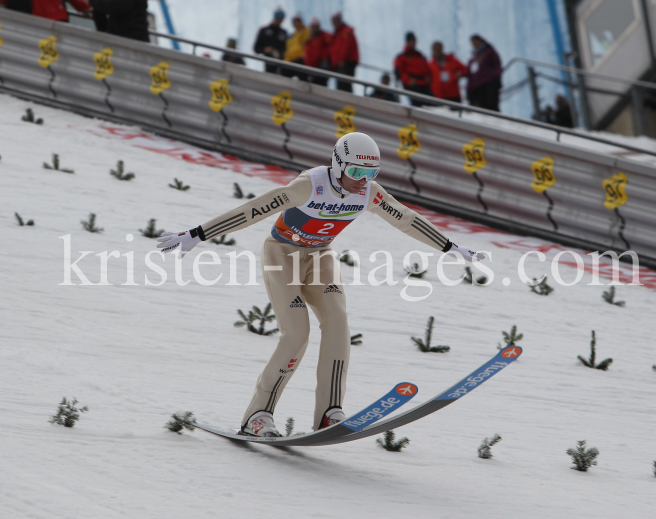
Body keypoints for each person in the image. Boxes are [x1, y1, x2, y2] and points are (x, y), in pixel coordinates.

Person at [156, 133, 486, 437]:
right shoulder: (309, 185)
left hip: (319, 256)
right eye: (356, 172)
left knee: (338, 323)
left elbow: (405, 218)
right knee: (297, 333)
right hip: (282, 253)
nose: (363, 182)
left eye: (371, 175)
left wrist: (451, 247)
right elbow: (254, 209)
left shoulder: (368, 193)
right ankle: (258, 415)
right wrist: (196, 235)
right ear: (338, 165)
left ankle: (330, 412)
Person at [393, 32, 433, 106]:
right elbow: (398, 72)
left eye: (414, 41)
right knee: (418, 106)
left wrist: (429, 78)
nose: (413, 43)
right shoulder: (401, 57)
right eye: (411, 41)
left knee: (433, 105)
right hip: (413, 86)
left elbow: (428, 70)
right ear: (407, 42)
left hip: (425, 85)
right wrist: (408, 81)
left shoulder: (421, 56)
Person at [466, 34, 502, 111]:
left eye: (475, 42)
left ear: (481, 41)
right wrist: (469, 89)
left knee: (491, 107)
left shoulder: (490, 52)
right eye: (473, 43)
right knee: (480, 109)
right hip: (477, 88)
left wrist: (496, 81)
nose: (474, 45)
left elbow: (497, 66)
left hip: (489, 85)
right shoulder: (473, 58)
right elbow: (470, 75)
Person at [329, 12, 359, 92]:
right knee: (341, 85)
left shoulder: (345, 31)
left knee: (345, 85)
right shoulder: (337, 34)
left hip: (346, 63)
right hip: (340, 64)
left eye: (336, 20)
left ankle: (348, 102)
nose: (334, 23)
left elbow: (346, 46)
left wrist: (342, 59)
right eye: (333, 21)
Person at [254, 8, 288, 75]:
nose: (280, 21)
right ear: (275, 17)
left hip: (282, 65)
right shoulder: (264, 30)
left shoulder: (284, 33)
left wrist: (282, 53)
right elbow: (256, 48)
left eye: (282, 19)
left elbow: (286, 48)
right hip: (268, 64)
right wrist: (265, 49)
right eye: (279, 18)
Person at [302, 18, 331, 86]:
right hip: (311, 68)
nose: (314, 28)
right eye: (313, 26)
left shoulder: (324, 35)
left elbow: (333, 46)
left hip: (322, 65)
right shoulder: (309, 42)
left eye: (316, 26)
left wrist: (325, 57)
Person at [283, 13, 310, 77]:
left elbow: (309, 43)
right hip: (289, 61)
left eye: (297, 20)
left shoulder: (306, 31)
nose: (295, 22)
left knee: (302, 78)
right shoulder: (291, 36)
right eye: (294, 21)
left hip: (300, 59)